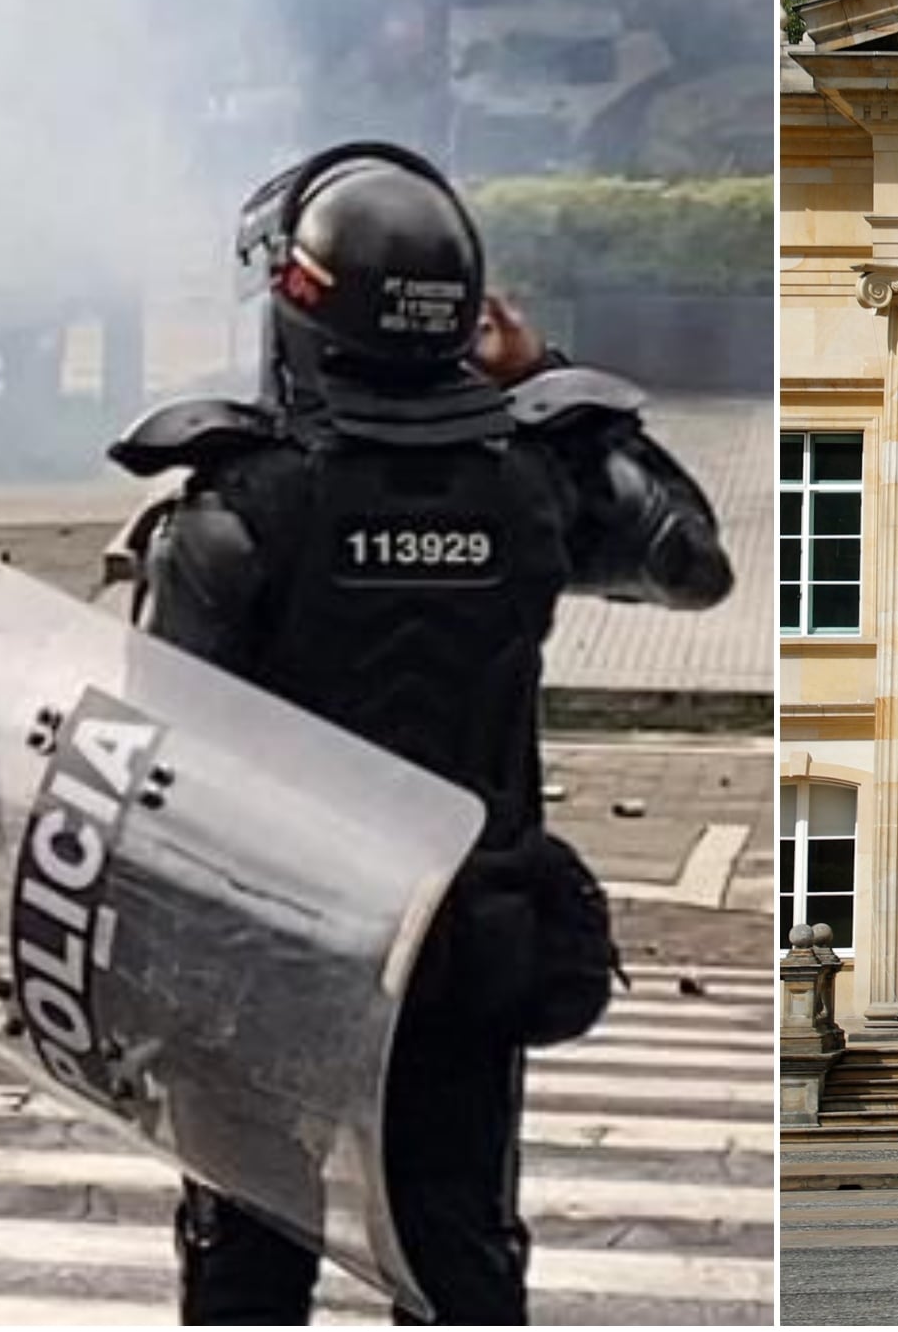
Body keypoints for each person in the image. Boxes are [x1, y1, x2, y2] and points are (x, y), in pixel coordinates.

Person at [108, 141, 733, 1325]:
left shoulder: (237, 508)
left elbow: (159, 769)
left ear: (299, 306)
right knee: (461, 1258)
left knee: (247, 1257)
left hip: (271, 948)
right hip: (464, 937)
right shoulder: (536, 480)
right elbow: (694, 563)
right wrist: (541, 369)